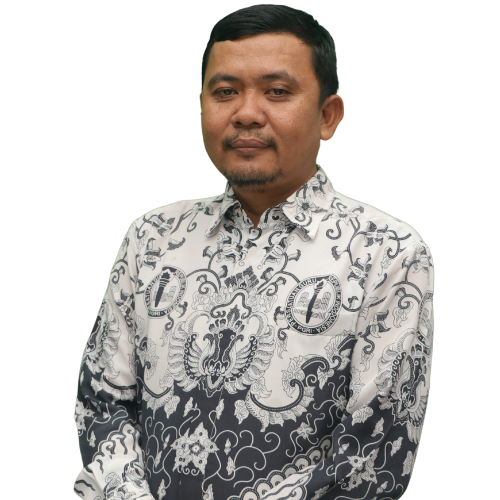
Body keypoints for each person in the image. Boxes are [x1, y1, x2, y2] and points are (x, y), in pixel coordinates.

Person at [73, 4, 435, 500]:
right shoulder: (151, 237)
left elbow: (372, 457)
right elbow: (102, 401)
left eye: (277, 91)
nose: (245, 113)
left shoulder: (386, 252)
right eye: (225, 92)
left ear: (328, 116)